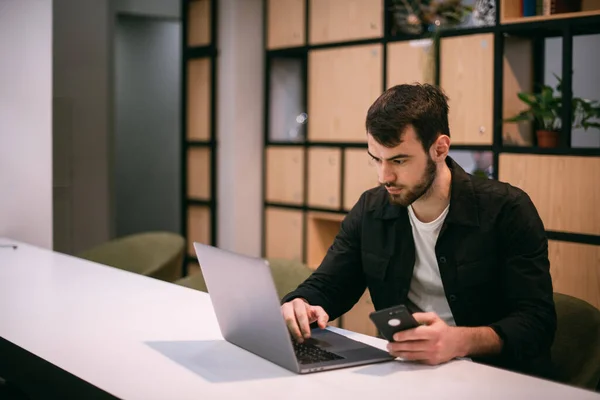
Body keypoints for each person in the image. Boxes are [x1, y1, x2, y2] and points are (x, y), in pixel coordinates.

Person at [279, 83, 556, 379]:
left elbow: (537, 323)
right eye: (376, 158)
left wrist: (458, 341)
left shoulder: (507, 210)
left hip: (495, 380)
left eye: (399, 160)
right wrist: (301, 303)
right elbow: (330, 285)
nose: (384, 176)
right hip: (407, 375)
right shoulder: (371, 210)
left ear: (439, 148)